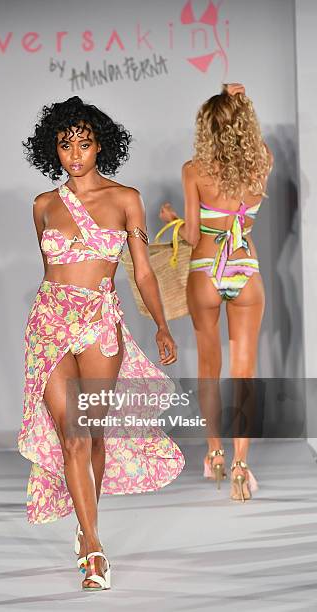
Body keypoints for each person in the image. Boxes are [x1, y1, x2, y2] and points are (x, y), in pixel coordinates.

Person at [18, 96, 184, 591]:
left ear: (100, 147)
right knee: (72, 434)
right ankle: (93, 547)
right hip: (48, 323)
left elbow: (144, 270)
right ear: (53, 149)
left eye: (84, 144)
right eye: (65, 144)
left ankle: (85, 520)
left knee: (92, 434)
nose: (74, 154)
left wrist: (161, 325)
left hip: (98, 323)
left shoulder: (125, 199)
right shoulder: (43, 206)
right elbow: (49, 271)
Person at [160, 83, 273, 502]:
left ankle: (216, 455)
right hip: (246, 270)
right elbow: (251, 141)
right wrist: (241, 102)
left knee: (209, 366)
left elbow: (191, 235)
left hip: (206, 268)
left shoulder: (194, 171)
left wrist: (172, 216)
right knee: (245, 372)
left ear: (206, 128)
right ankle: (244, 466)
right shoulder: (263, 163)